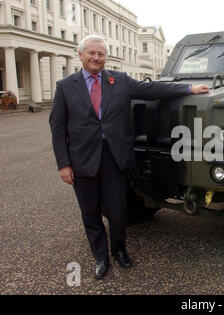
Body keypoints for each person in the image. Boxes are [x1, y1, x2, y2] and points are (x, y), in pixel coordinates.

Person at [49, 35, 209, 280]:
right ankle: (101, 257)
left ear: (106, 57)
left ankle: (120, 251)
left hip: (114, 158)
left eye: (101, 54)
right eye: (91, 53)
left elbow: (153, 89)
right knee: (90, 213)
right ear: (80, 54)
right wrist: (63, 164)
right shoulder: (65, 86)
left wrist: (189, 88)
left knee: (117, 211)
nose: (96, 57)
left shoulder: (119, 80)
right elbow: (57, 128)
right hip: (82, 161)